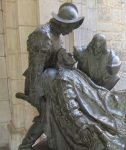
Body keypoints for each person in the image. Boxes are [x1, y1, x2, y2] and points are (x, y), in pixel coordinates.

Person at [16, 3, 84, 150]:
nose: (71, 30)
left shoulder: (57, 33)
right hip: (40, 84)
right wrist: (35, 94)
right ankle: (26, 145)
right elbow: (36, 69)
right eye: (70, 26)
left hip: (52, 80)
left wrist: (65, 57)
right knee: (47, 115)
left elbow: (56, 52)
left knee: (50, 116)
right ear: (62, 23)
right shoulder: (42, 36)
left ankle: (30, 144)